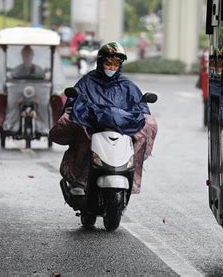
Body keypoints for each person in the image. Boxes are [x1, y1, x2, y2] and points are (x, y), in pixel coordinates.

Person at [50, 41, 158, 194]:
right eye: (108, 63)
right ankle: (78, 180)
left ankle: (131, 175)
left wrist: (142, 113)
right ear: (101, 63)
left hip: (121, 128)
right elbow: (73, 102)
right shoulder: (87, 82)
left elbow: (140, 106)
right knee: (76, 128)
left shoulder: (127, 85)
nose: (111, 67)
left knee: (150, 123)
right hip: (93, 125)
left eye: (115, 64)